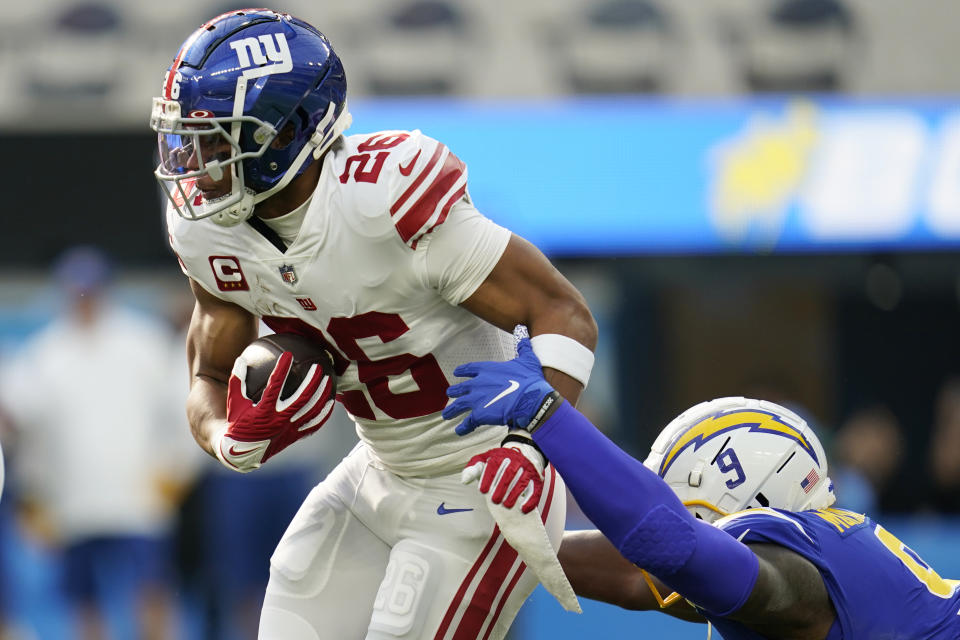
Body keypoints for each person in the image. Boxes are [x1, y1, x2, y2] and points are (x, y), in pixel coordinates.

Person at [150, 9, 597, 639]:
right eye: (191, 138)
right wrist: (227, 437)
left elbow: (563, 312)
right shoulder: (209, 234)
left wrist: (535, 444)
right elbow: (210, 374)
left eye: (220, 139)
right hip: (378, 470)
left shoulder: (385, 199)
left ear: (288, 132)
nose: (197, 161)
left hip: (485, 473)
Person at [443, 339, 960, 639]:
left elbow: (675, 546)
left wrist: (547, 416)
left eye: (696, 514)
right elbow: (639, 572)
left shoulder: (799, 574)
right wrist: (489, 536)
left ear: (752, 502)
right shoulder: (825, 554)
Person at [0, 246, 184, 640]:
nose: (83, 298)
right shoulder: (44, 354)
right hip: (73, 504)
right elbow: (26, 427)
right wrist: (36, 494)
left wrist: (175, 470)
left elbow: (180, 412)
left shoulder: (145, 343)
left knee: (149, 591)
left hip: (139, 499)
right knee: (84, 602)